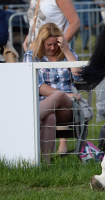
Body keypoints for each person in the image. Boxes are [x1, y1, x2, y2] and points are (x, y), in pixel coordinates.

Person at [24, 23, 83, 163]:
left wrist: (67, 50)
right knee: (49, 117)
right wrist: (67, 94)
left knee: (60, 95)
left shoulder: (68, 53)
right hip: (45, 105)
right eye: (48, 44)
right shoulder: (31, 56)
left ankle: (26, 119)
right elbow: (37, 86)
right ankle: (46, 163)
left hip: (67, 107)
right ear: (41, 42)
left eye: (55, 44)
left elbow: (79, 76)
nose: (52, 48)